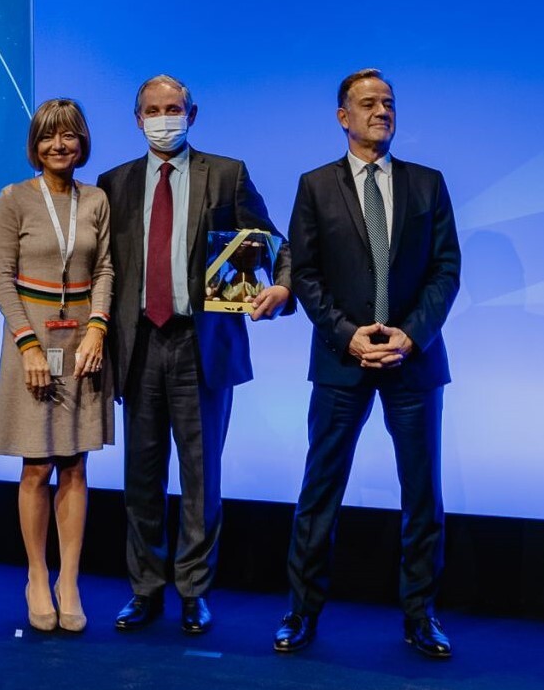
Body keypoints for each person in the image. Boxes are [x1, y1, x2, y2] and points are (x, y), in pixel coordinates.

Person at [273, 69, 461, 658]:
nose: (382, 111)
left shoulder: (427, 183)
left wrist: (411, 335)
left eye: (389, 103)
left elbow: (446, 271)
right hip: (341, 361)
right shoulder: (314, 186)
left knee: (422, 495)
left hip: (413, 361)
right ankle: (301, 612)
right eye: (369, 103)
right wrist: (347, 335)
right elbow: (305, 274)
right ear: (343, 117)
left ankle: (421, 615)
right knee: (320, 491)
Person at [97, 74, 293, 634]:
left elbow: (274, 244)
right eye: (154, 110)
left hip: (200, 345)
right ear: (138, 119)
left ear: (192, 113)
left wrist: (281, 288)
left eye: (174, 108)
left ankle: (193, 591)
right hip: (138, 344)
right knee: (141, 478)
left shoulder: (227, 174)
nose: (165, 118)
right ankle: (144, 589)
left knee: (201, 478)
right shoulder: (113, 183)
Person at [0, 98, 114, 633]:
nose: (58, 145)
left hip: (84, 340)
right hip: (32, 341)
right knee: (37, 466)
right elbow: (2, 279)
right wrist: (28, 346)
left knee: (76, 465)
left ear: (82, 142)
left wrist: (98, 329)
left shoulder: (96, 199)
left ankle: (70, 581)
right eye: (48, 136)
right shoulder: (14, 198)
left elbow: (105, 269)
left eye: (68, 136)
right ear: (35, 145)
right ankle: (37, 577)